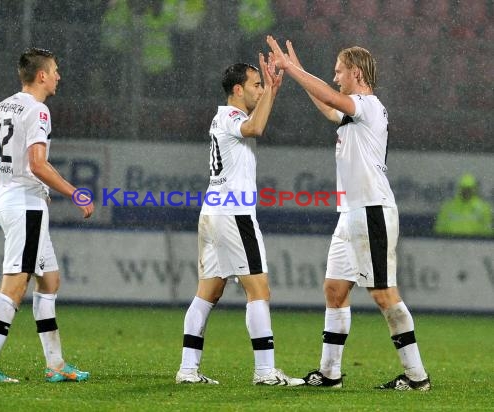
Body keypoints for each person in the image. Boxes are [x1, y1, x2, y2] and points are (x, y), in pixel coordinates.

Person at [267, 35, 431, 391]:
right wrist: (299, 70)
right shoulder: (353, 109)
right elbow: (328, 105)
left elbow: (330, 97)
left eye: (339, 70)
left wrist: (292, 70)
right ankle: (330, 374)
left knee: (384, 294)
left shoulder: (369, 105)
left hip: (372, 210)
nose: (335, 75)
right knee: (334, 290)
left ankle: (417, 377)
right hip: (351, 214)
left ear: (356, 72)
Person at [176, 55, 304, 386]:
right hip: (234, 212)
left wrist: (270, 91)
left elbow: (255, 124)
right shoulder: (233, 116)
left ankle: (188, 369)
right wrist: (273, 91)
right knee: (259, 289)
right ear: (238, 89)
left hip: (214, 210)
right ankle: (265, 371)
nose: (260, 90)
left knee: (208, 292)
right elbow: (256, 127)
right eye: (256, 85)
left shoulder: (224, 117)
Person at [0, 48, 95, 383]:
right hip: (24, 207)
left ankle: (55, 364)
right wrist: (74, 192)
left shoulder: (3, 106)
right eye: (55, 70)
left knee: (49, 279)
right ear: (41, 75)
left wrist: (17, 185)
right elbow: (38, 164)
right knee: (15, 284)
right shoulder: (38, 110)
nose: (58, 76)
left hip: (12, 200)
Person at [434, 173, 493, 237]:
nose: (466, 191)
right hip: (451, 243)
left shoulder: (483, 208)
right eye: (464, 188)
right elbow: (439, 229)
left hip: (476, 243)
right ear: (459, 189)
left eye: (469, 189)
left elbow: (488, 231)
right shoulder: (448, 207)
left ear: (474, 189)